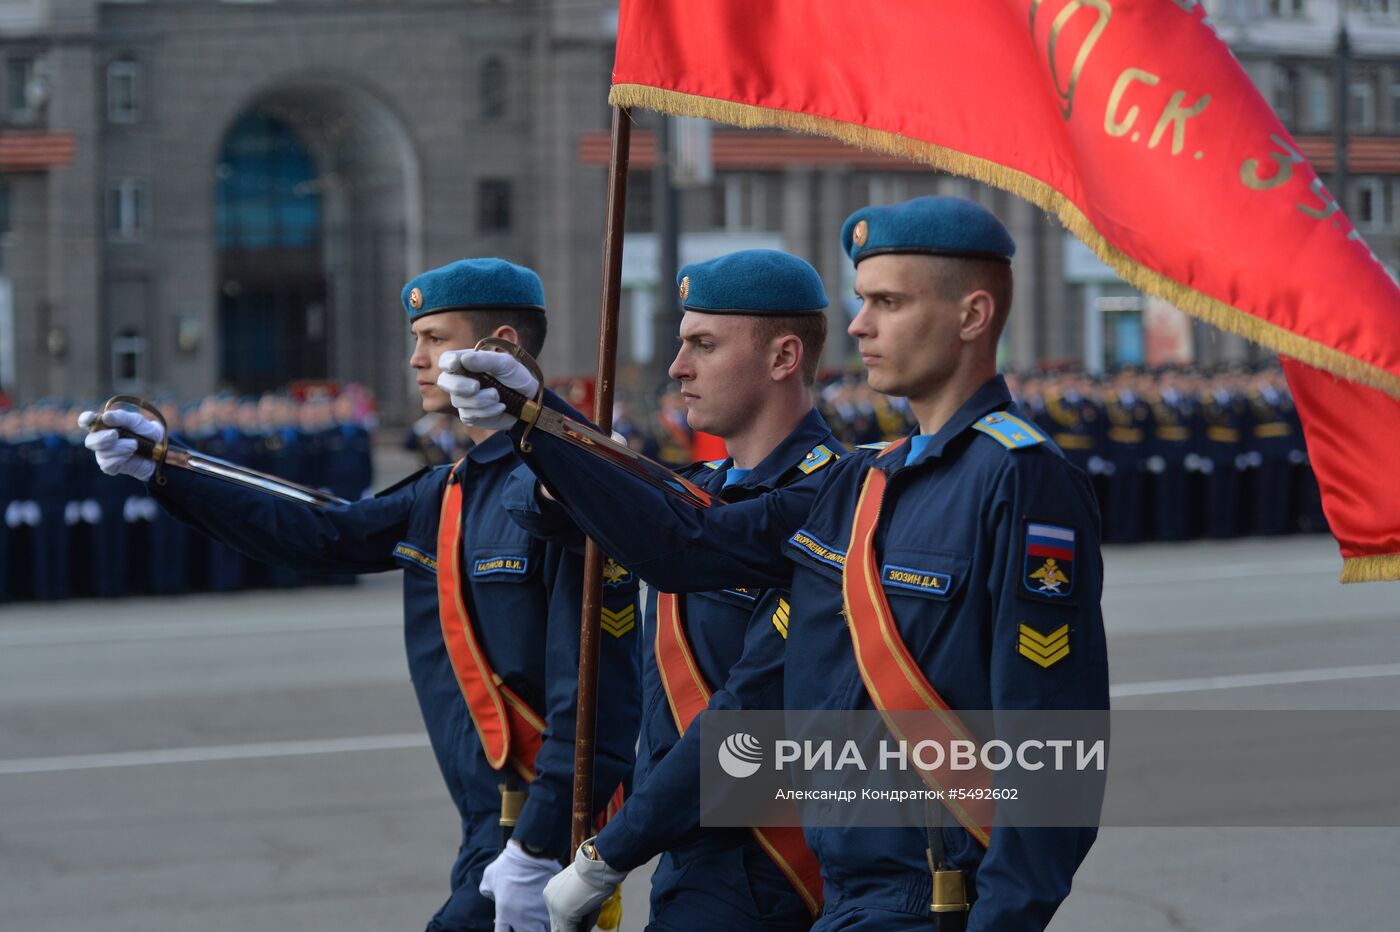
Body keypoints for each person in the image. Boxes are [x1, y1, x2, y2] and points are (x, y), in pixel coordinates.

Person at [444, 197, 1108, 931]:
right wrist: (539, 418)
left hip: (937, 899)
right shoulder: (863, 483)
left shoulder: (1019, 477)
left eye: (887, 302)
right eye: (862, 302)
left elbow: (1053, 746)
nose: (860, 325)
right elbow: (687, 545)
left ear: (973, 315)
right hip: (850, 896)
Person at [80, 258, 642, 932]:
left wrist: (535, 849)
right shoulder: (451, 488)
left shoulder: (561, 488)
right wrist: (167, 469)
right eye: (417, 339)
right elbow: (324, 533)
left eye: (435, 338)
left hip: (535, 834)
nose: (416, 359)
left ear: (500, 346)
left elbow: (592, 703)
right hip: (486, 832)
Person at [502, 250, 840, 930]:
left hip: (770, 864)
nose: (677, 368)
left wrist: (608, 856)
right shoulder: (707, 491)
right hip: (686, 849)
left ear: (782, 358)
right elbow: (541, 513)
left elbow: (745, 717)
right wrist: (547, 453)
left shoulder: (828, 499)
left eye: (703, 345)